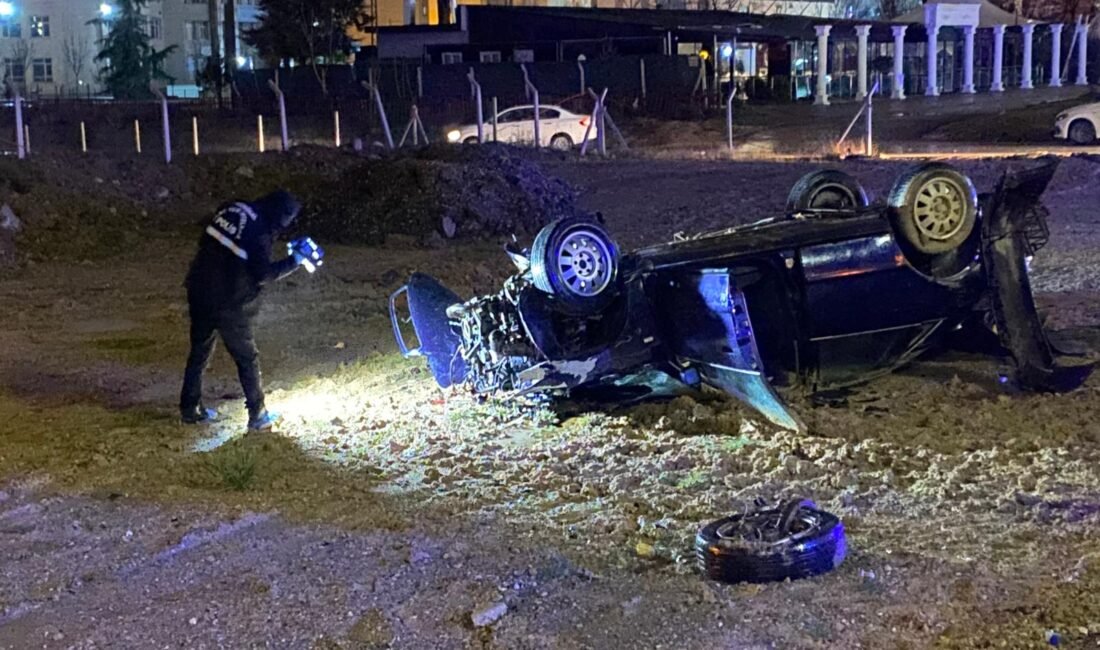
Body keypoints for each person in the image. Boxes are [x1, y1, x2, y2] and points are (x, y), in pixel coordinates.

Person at [179, 190, 307, 431]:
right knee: (247, 358)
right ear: (279, 214)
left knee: (199, 351)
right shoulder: (260, 231)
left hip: (198, 289)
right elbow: (263, 274)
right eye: (287, 219)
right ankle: (258, 414)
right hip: (228, 301)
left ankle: (189, 408)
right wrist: (295, 261)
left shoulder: (233, 207)